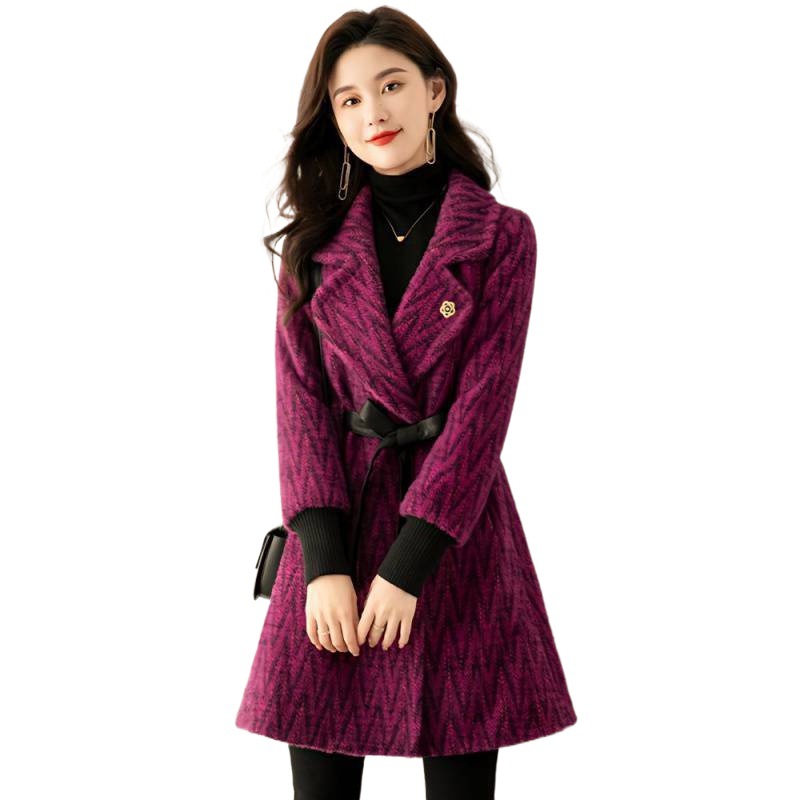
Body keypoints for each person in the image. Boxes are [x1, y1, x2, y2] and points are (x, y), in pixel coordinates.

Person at [236, 8, 577, 799]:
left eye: (390, 86)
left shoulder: (500, 237)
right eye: (349, 100)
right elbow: (300, 408)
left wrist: (408, 563)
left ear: (434, 91)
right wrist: (324, 562)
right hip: (337, 530)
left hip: (453, 534)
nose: (373, 113)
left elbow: (483, 411)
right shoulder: (312, 246)